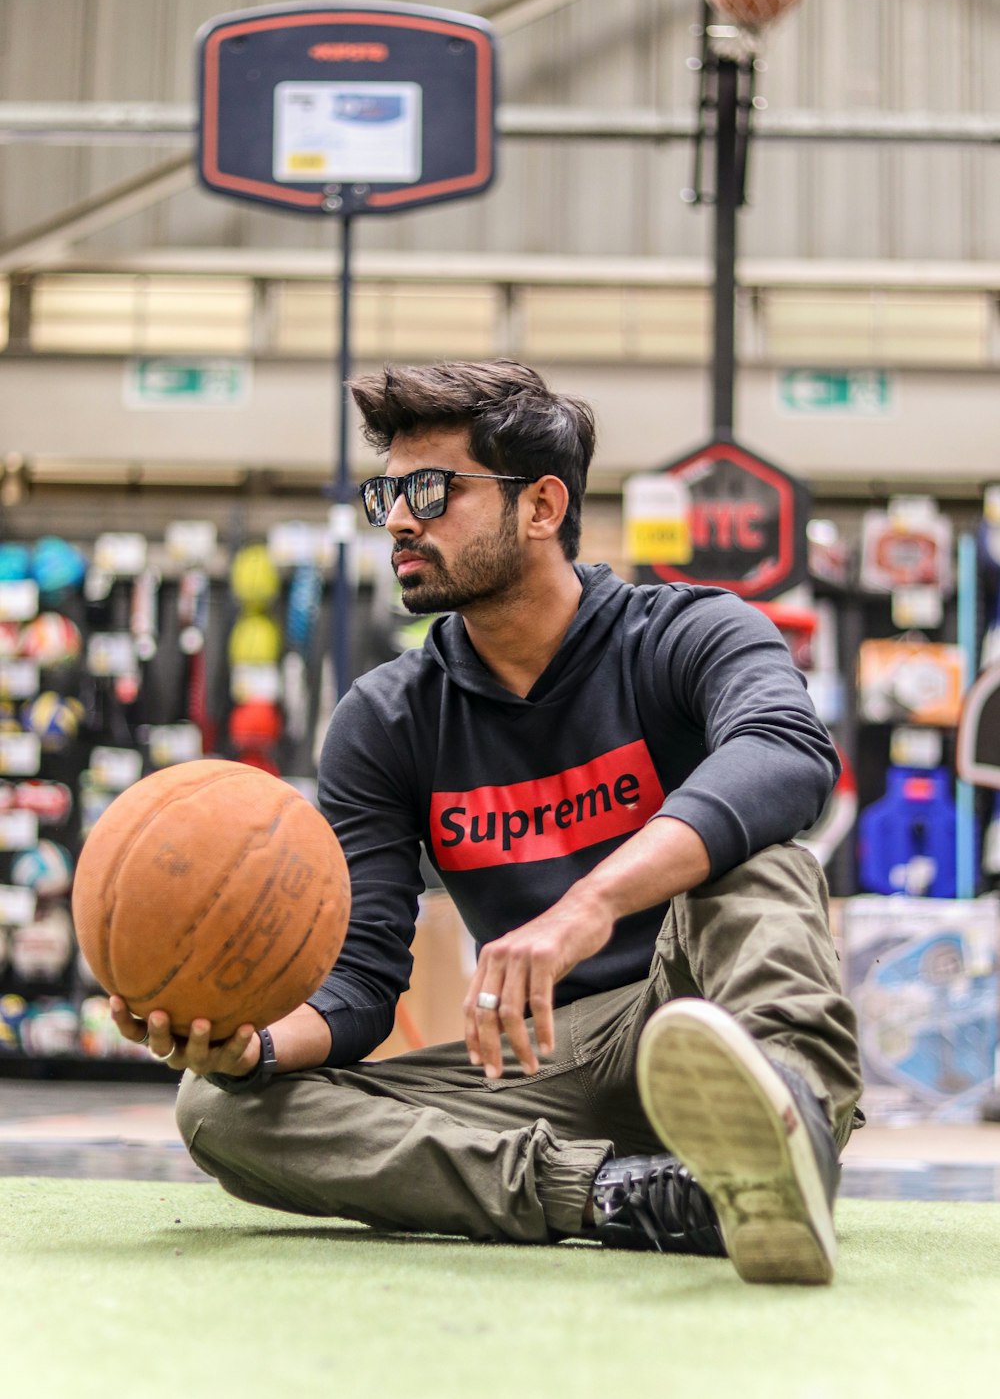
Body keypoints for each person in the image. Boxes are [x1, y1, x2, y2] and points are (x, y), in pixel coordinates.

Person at [111, 360, 863, 1285]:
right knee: (219, 1110)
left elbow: (789, 750)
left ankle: (793, 1125)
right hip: (537, 1063)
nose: (397, 519)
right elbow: (361, 978)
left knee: (755, 855)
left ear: (542, 507)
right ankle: (622, 1197)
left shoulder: (686, 634)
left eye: (431, 490)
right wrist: (254, 1045)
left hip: (702, 1016)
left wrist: (588, 906)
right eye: (387, 490)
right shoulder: (385, 720)